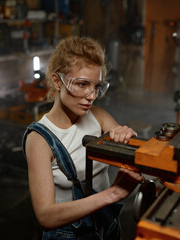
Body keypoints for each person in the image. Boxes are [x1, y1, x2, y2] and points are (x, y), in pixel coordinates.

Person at [23, 36, 144, 240]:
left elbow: (128, 148)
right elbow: (46, 216)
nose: (91, 95)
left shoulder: (97, 115)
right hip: (68, 233)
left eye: (96, 86)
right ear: (57, 80)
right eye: (82, 84)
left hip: (107, 224)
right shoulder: (39, 139)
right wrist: (112, 194)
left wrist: (125, 134)